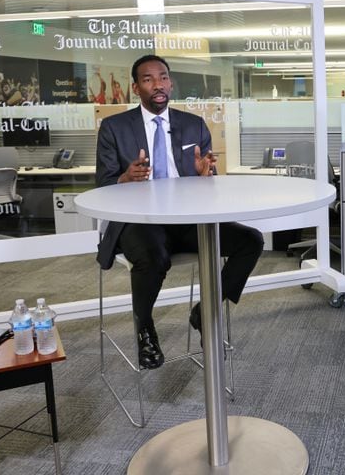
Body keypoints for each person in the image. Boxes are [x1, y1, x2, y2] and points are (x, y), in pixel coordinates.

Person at [95, 54, 264, 370]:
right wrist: (123, 178)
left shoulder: (193, 124)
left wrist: (205, 177)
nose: (157, 85)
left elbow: (208, 187)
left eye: (162, 77)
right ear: (136, 87)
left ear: (170, 83)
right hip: (139, 221)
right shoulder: (114, 128)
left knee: (251, 241)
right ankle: (144, 328)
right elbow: (102, 185)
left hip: (185, 220)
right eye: (148, 79)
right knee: (154, 257)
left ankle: (204, 314)